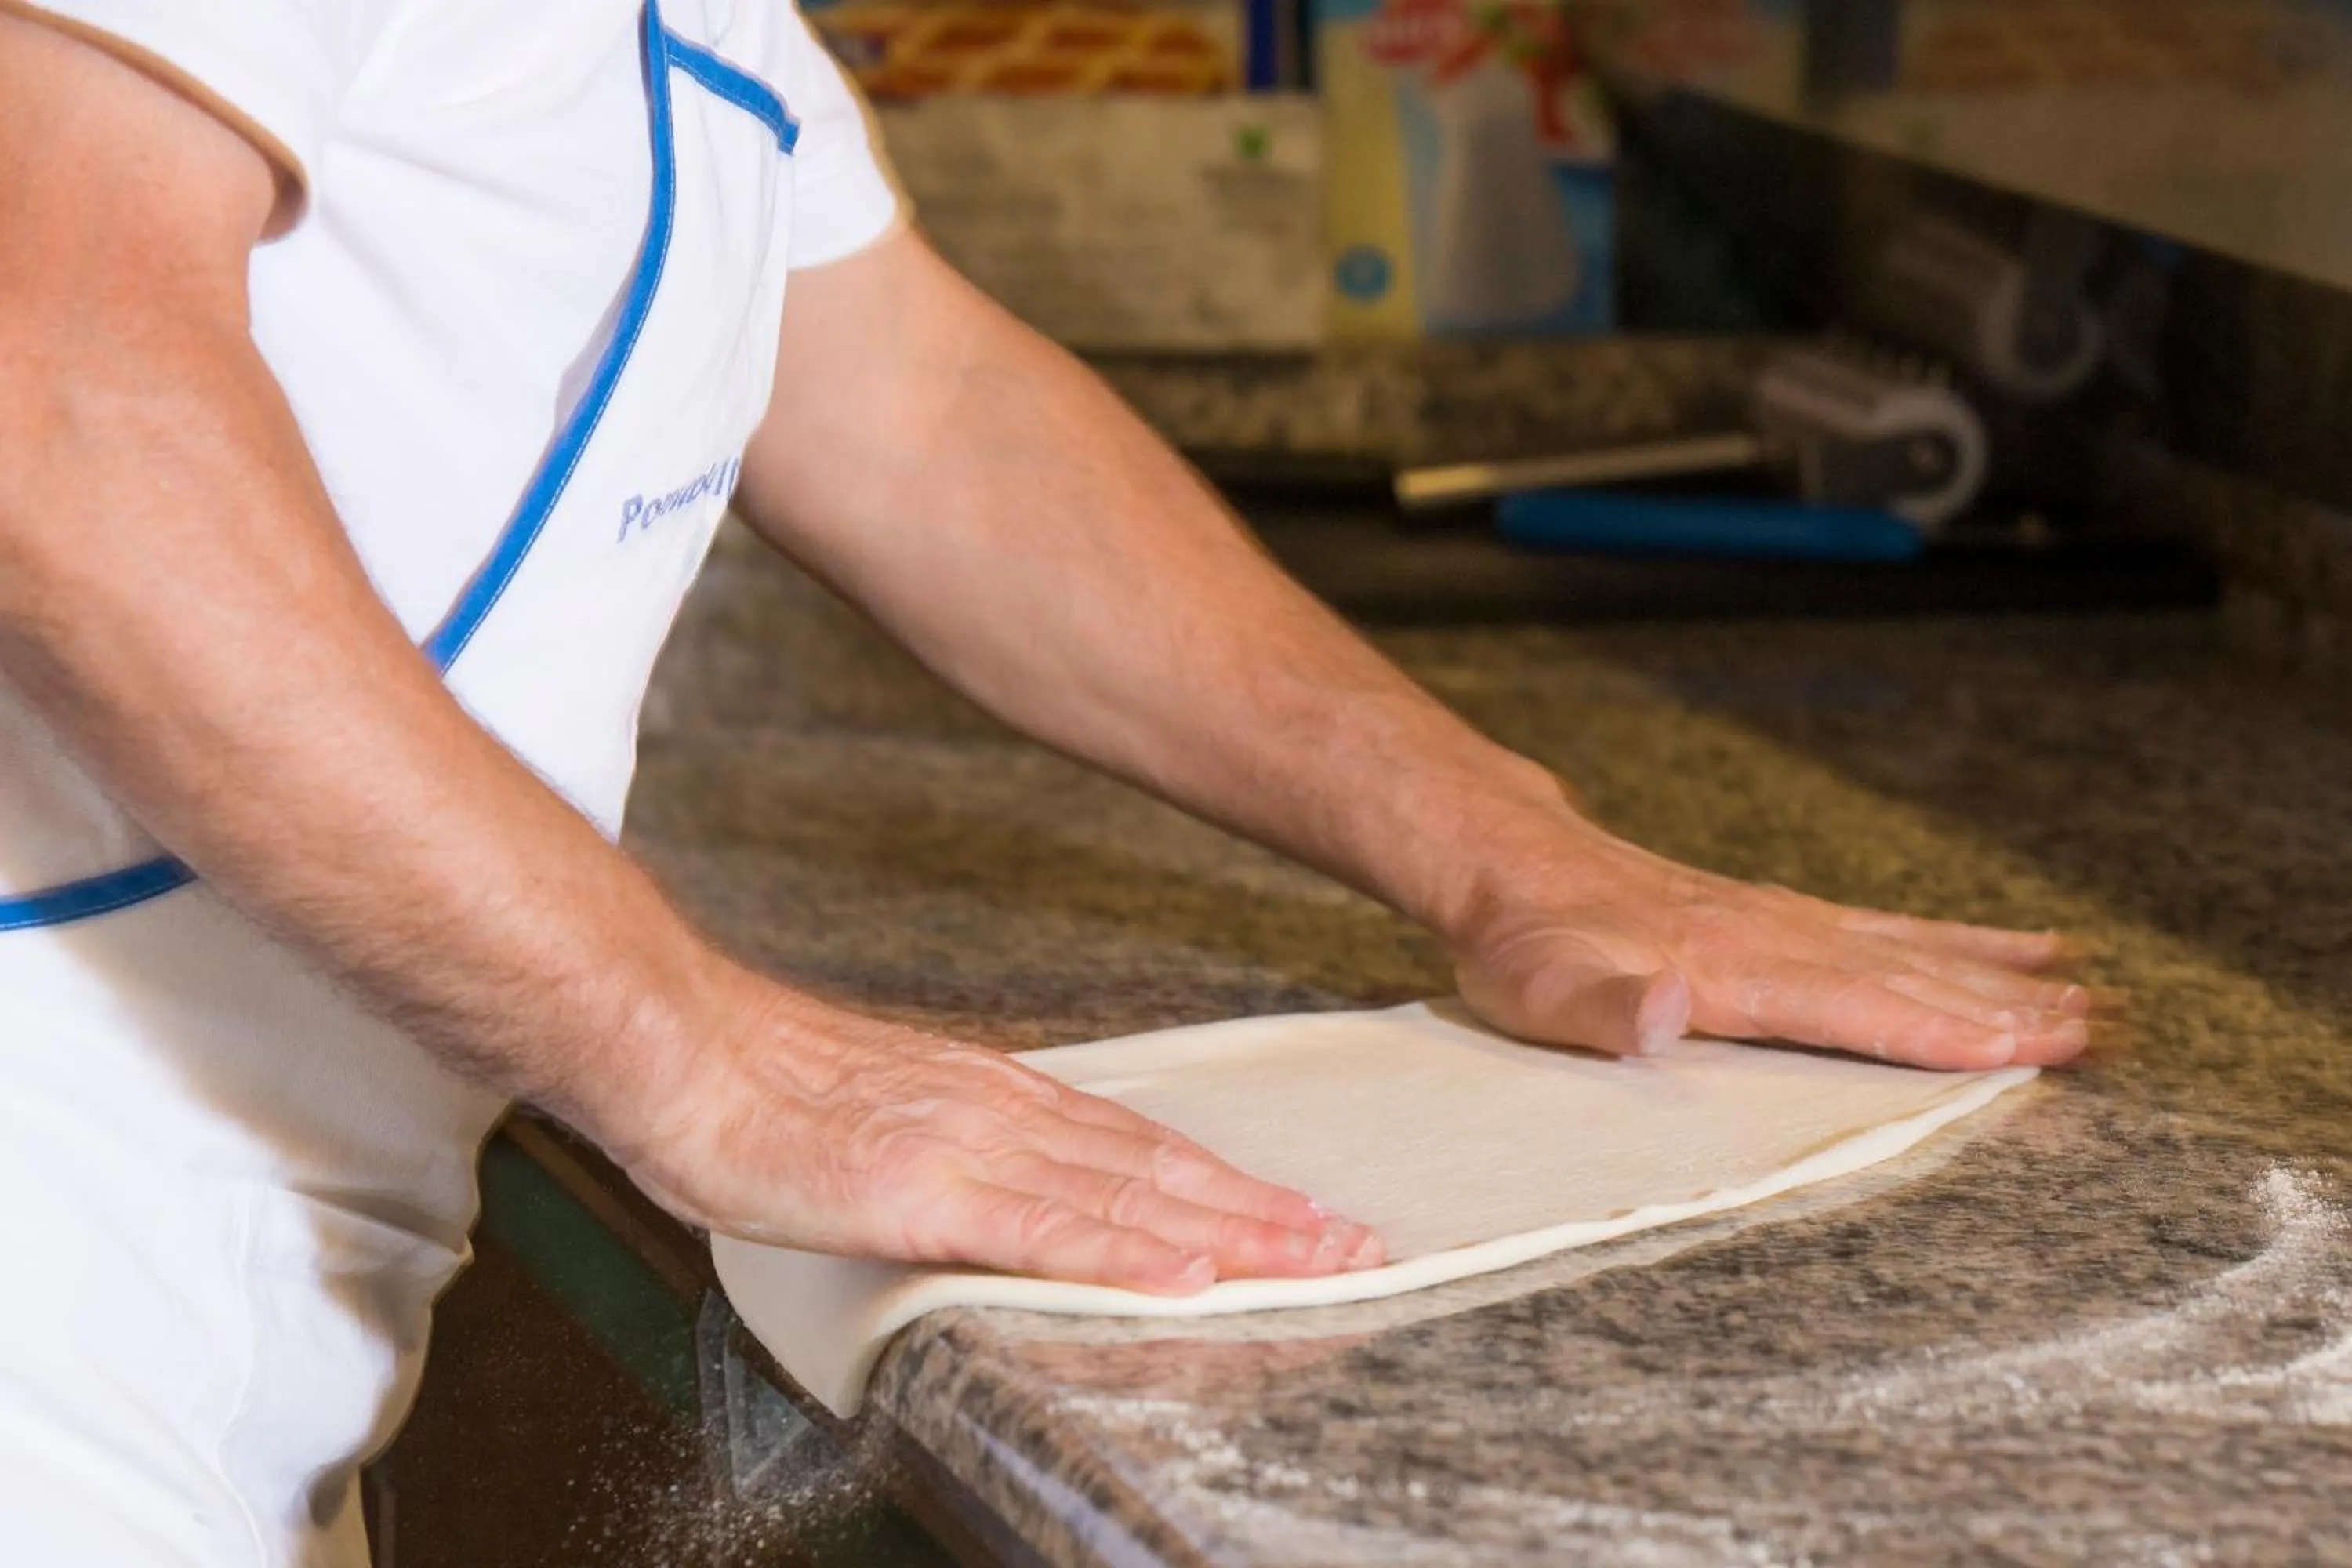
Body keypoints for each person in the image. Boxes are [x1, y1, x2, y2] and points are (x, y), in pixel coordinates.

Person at [0, 2, 2093, 1561]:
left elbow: (916, 405)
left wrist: (1510, 854)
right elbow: (55, 404)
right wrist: (707, 1055)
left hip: (208, 1327)